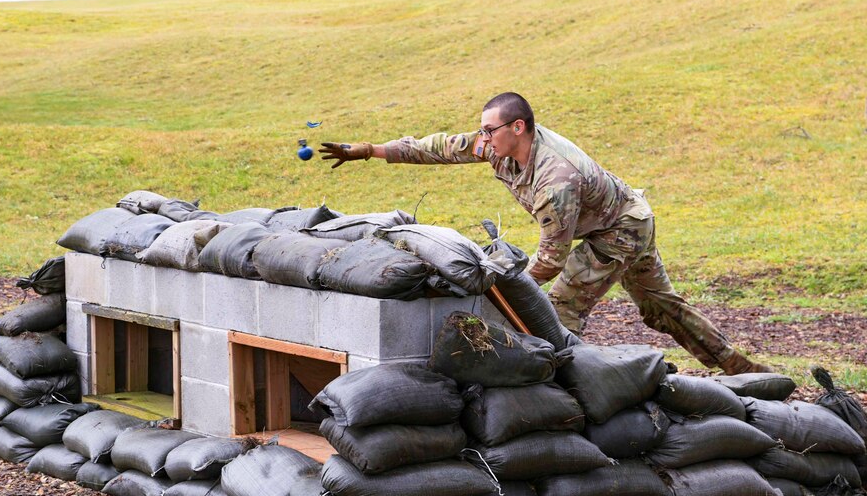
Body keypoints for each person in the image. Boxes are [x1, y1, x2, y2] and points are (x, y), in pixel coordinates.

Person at [319, 91, 771, 375]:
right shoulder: (497, 145)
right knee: (660, 309)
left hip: (621, 229)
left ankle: (567, 392)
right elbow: (439, 147)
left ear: (518, 128)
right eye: (482, 129)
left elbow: (551, 261)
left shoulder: (556, 180)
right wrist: (371, 151)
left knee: (557, 310)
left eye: (490, 129)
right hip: (621, 215)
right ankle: (737, 366)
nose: (482, 138)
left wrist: (499, 293)